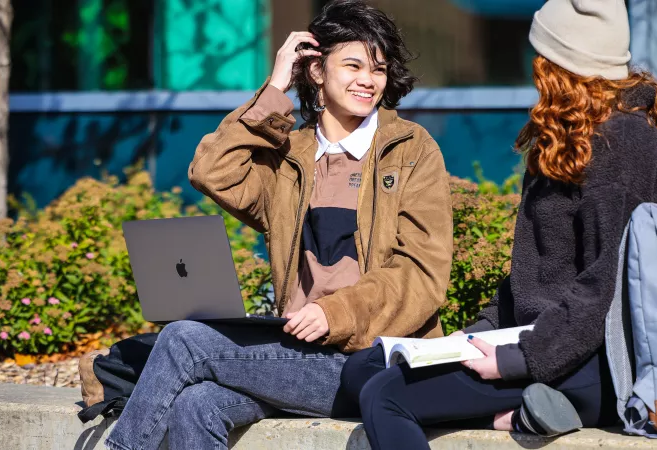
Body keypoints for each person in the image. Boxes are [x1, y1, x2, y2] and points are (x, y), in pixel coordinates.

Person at [340, 0, 657, 448]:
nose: (535, 66)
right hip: (542, 343)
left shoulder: (621, 144)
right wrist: (474, 335)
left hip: (590, 360)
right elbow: (534, 275)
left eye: (542, 56)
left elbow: (604, 287)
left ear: (563, 65)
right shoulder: (567, 138)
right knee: (363, 371)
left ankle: (543, 406)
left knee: (386, 396)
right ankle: (522, 414)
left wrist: (517, 359)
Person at [104, 1, 453, 449]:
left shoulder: (411, 150)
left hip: (370, 361)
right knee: (197, 405)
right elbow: (212, 172)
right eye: (353, 65)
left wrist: (334, 312)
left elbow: (422, 275)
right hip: (294, 354)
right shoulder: (289, 155)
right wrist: (274, 87)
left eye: (379, 69)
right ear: (316, 71)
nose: (369, 80)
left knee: (183, 340)